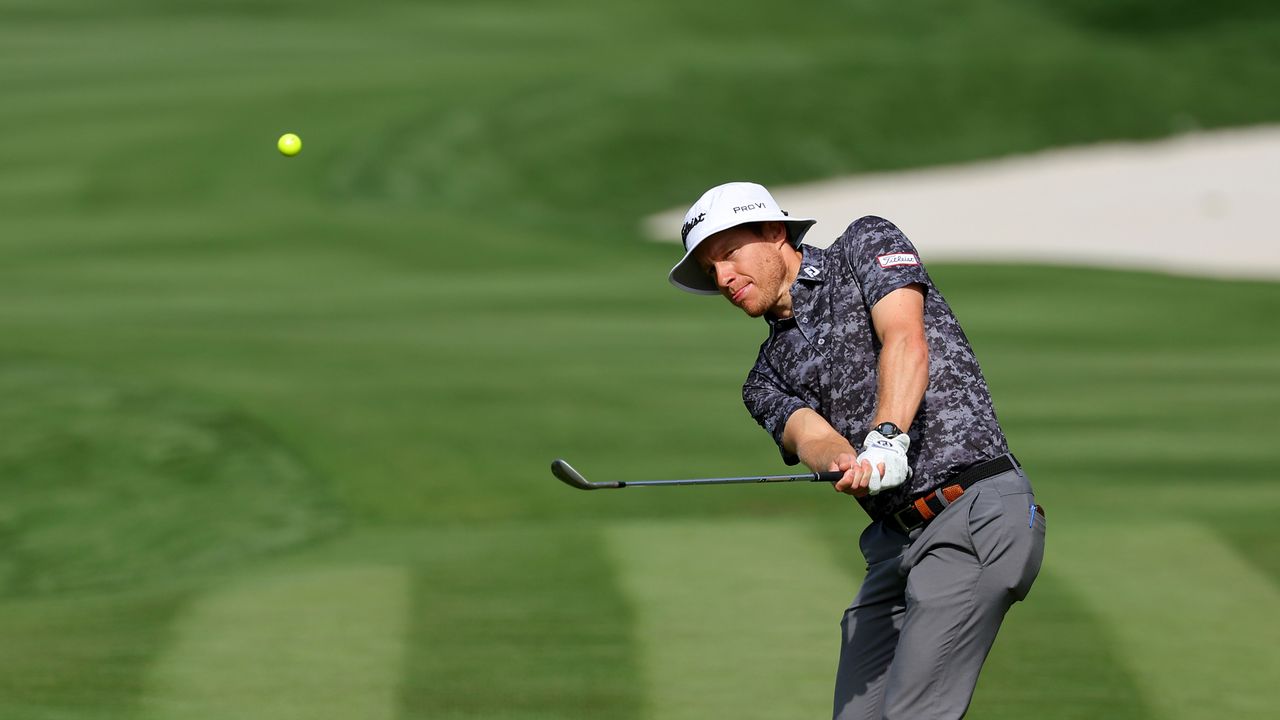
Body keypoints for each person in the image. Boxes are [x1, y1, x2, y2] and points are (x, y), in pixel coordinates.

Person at [668, 181, 1046, 719]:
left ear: (775, 232)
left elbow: (905, 338)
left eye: (729, 254)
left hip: (973, 512)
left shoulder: (864, 245)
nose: (724, 278)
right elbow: (811, 437)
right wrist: (845, 461)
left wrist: (888, 437)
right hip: (895, 547)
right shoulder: (763, 378)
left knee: (913, 714)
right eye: (711, 271)